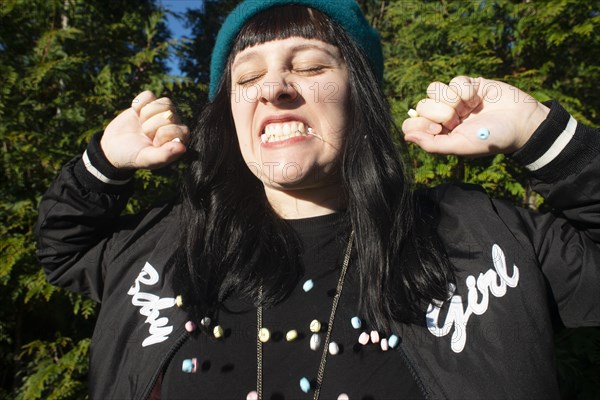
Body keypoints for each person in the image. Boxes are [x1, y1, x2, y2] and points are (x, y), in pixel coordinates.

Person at [35, 0, 600, 399]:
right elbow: (62, 248)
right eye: (247, 78)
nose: (276, 88)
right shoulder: (170, 247)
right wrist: (102, 164)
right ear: (230, 120)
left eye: (309, 66)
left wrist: (541, 135)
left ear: (362, 98)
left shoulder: (477, 236)